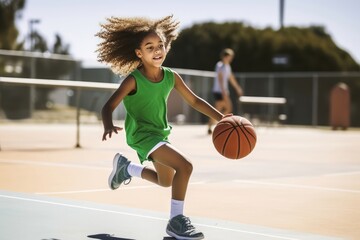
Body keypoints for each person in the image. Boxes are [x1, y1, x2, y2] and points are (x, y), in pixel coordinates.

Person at [97, 15, 226, 240]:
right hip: (142, 134)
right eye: (150, 47)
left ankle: (126, 169)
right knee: (185, 166)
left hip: (159, 133)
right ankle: (176, 222)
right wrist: (108, 124)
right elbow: (109, 105)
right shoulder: (133, 79)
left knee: (166, 181)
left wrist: (221, 118)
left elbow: (194, 101)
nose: (157, 50)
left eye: (160, 45)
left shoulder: (170, 76)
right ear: (139, 53)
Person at [207, 48, 243, 134]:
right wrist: (223, 91)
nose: (231, 59)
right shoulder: (220, 65)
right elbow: (220, 78)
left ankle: (214, 125)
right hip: (219, 91)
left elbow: (231, 78)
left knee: (225, 109)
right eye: (229, 57)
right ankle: (213, 126)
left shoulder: (227, 66)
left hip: (223, 91)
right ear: (225, 57)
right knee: (220, 110)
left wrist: (237, 88)